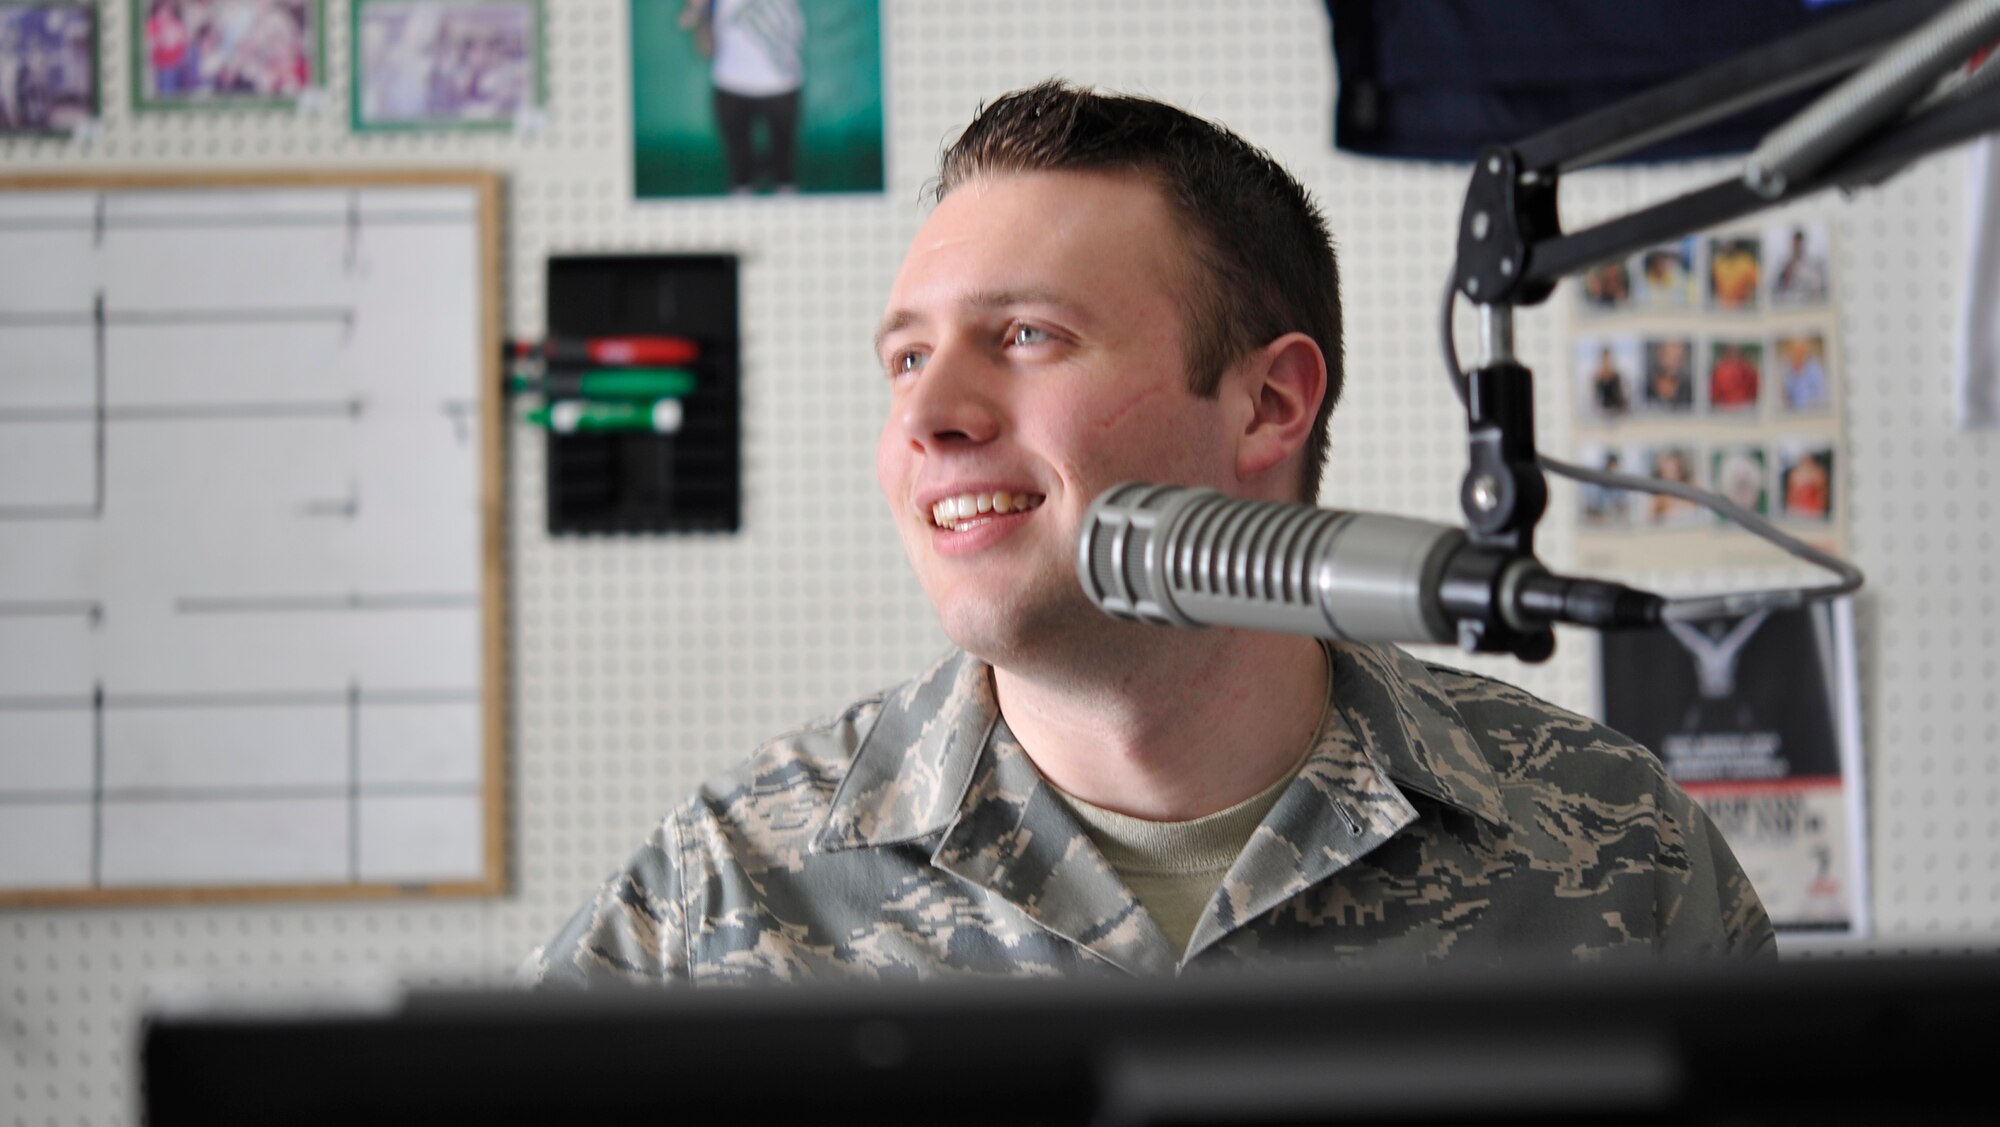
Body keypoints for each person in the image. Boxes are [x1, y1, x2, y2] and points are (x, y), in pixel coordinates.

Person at [527, 82, 1773, 987]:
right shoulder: (721, 889)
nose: (926, 417)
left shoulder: (1621, 851)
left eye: (1026, 336)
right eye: (905, 357)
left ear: (1268, 402)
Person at [682, 0, 807, 194]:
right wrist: (699, 13)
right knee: (740, 177)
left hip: (783, 81)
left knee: (784, 175)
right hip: (731, 81)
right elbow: (704, 46)